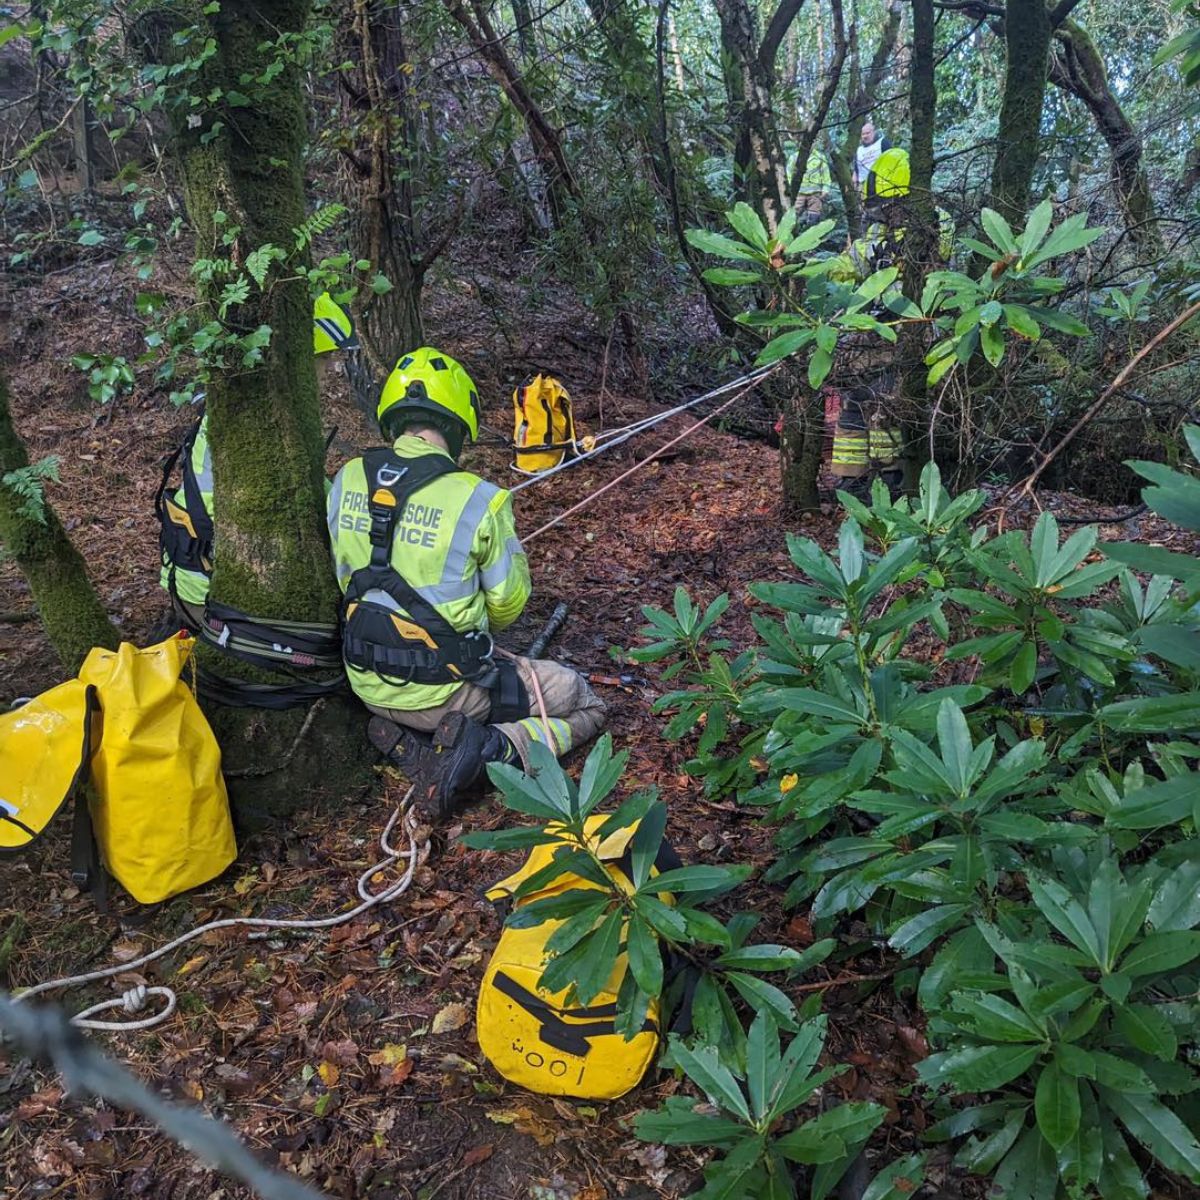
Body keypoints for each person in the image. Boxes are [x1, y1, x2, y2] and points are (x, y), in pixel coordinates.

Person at [327, 347, 606, 818]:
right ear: (459, 423)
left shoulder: (346, 478)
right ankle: (488, 751)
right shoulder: (481, 500)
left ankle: (415, 747)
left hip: (366, 683)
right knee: (587, 703)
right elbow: (507, 607)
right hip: (444, 692)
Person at [157, 292, 359, 629]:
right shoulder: (260, 422)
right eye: (323, 358)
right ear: (297, 359)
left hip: (208, 574)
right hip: (210, 589)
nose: (330, 369)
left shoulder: (269, 407)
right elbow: (306, 505)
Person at [853, 121, 892, 197]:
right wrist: (854, 185)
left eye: (867, 133)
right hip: (863, 186)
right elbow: (856, 170)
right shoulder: (859, 150)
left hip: (881, 183)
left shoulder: (883, 143)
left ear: (873, 132)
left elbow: (892, 163)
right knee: (865, 207)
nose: (865, 136)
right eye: (863, 134)